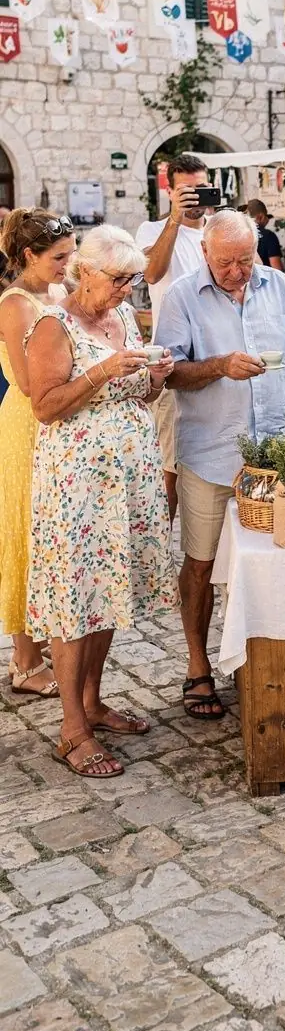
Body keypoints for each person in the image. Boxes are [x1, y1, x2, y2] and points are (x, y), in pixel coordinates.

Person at [26, 226, 177, 778]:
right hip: (77, 487)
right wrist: (102, 370)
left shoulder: (119, 319)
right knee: (74, 599)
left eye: (132, 280)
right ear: (84, 271)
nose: (126, 289)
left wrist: (153, 378)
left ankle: (92, 702)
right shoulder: (52, 324)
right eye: (118, 279)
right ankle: (71, 729)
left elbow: (138, 393)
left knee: (108, 592)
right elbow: (45, 406)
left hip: (126, 481)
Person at [156, 210, 285, 720]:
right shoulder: (182, 295)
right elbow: (170, 375)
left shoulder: (280, 287)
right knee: (202, 562)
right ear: (205, 253)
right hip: (211, 452)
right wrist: (219, 366)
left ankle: (270, 660)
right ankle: (198, 665)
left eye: (244, 261)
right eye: (225, 262)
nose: (236, 271)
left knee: (282, 558)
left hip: (278, 452)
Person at [0, 209, 75, 698]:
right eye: (59, 257)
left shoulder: (56, 292)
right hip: (28, 422)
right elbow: (30, 382)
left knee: (49, 530)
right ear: (30, 255)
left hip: (58, 422)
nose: (67, 265)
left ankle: (43, 635)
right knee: (25, 531)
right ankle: (24, 660)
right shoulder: (16, 303)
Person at [135, 154, 209, 521]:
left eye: (202, 187)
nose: (196, 197)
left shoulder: (219, 230)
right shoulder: (153, 230)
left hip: (216, 357)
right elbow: (150, 272)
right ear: (170, 190)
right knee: (169, 460)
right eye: (187, 190)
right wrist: (176, 221)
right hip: (171, 360)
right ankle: (162, 544)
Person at [245, 199, 283, 269]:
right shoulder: (269, 236)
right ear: (261, 217)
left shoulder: (240, 235)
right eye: (266, 216)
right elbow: (276, 268)